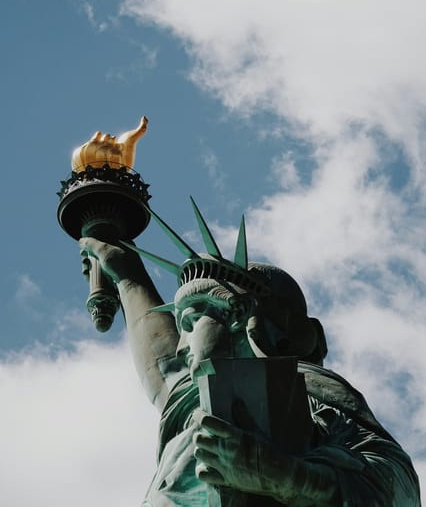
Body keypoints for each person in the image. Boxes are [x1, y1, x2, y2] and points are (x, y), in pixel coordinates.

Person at [80, 203, 421, 506]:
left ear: (241, 316)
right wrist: (125, 273)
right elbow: (164, 366)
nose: (182, 346)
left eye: (192, 321)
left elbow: (396, 489)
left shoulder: (312, 395)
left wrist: (280, 474)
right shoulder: (194, 406)